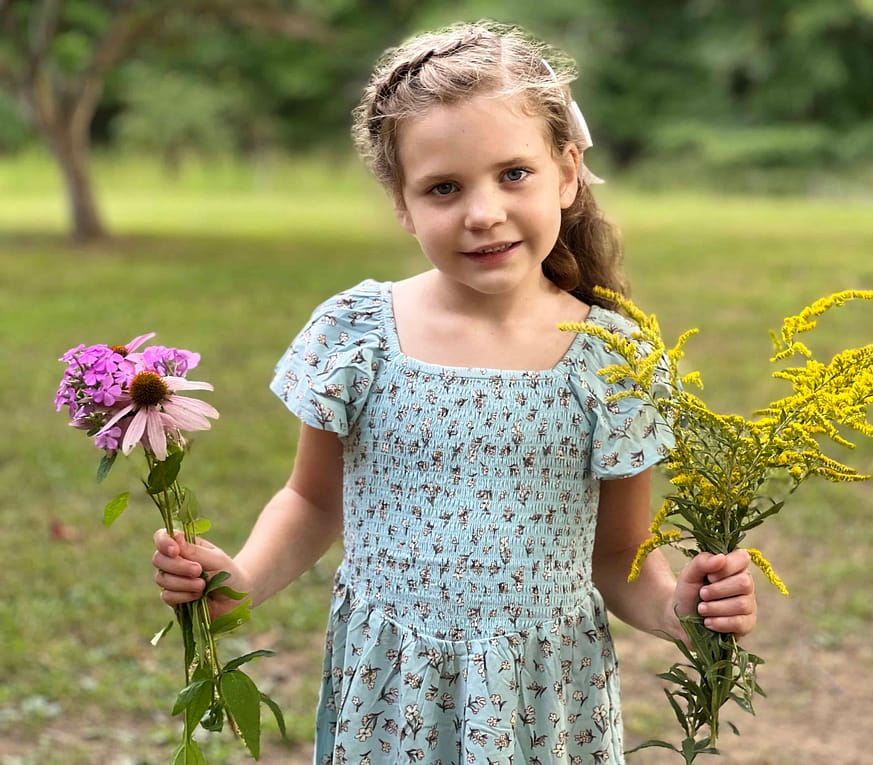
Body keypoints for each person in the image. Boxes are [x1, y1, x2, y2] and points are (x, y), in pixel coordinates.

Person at [152, 20, 757, 764]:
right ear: (402, 204)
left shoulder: (613, 357)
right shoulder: (358, 334)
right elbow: (314, 501)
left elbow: (621, 553)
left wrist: (681, 609)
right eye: (444, 188)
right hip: (393, 689)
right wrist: (239, 578)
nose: (482, 212)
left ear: (567, 172)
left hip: (540, 698)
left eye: (514, 174)